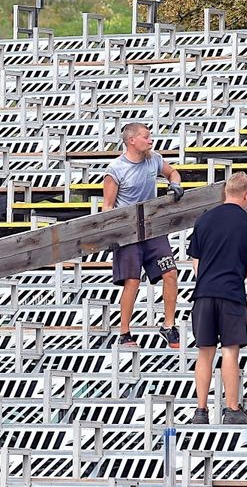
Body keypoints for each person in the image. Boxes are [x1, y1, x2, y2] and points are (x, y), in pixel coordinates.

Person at [187, 172, 247, 425]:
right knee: (230, 350)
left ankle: (200, 410)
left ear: (225, 192)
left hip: (204, 293)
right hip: (231, 293)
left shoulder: (204, 220)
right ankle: (231, 408)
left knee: (204, 352)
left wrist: (205, 279)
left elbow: (195, 259)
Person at [103, 122, 185, 349]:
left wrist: (175, 184)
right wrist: (110, 235)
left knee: (170, 272)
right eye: (146, 137)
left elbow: (172, 172)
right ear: (132, 140)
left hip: (153, 227)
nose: (150, 140)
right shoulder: (115, 170)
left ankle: (169, 325)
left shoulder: (154, 159)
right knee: (132, 281)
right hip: (128, 232)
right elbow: (107, 206)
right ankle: (124, 332)